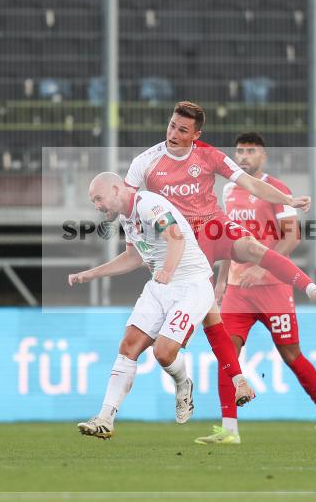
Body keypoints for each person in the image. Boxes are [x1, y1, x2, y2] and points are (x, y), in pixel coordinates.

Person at [123, 101, 316, 409]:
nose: (173, 133)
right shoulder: (146, 162)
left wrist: (287, 198)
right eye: (172, 126)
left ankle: (313, 289)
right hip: (184, 245)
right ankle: (222, 383)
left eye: (183, 130)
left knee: (253, 248)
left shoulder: (209, 156)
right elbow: (128, 203)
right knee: (202, 321)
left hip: (214, 226)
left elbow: (251, 184)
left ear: (197, 134)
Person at [68, 172, 255, 439]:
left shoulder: (148, 204)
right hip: (160, 287)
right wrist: (92, 273)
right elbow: (133, 257)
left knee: (163, 353)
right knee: (128, 345)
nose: (97, 206)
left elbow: (176, 238)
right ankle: (105, 418)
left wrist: (167, 271)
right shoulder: (127, 217)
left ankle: (183, 384)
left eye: (98, 199)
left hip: (190, 284)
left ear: (115, 189)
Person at [195, 133, 316, 446]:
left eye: (251, 151)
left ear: (264, 156)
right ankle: (229, 429)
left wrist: (261, 268)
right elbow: (226, 242)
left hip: (273, 288)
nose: (244, 156)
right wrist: (220, 283)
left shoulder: (278, 190)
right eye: (240, 151)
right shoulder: (229, 190)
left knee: (291, 355)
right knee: (227, 355)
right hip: (237, 290)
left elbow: (291, 238)